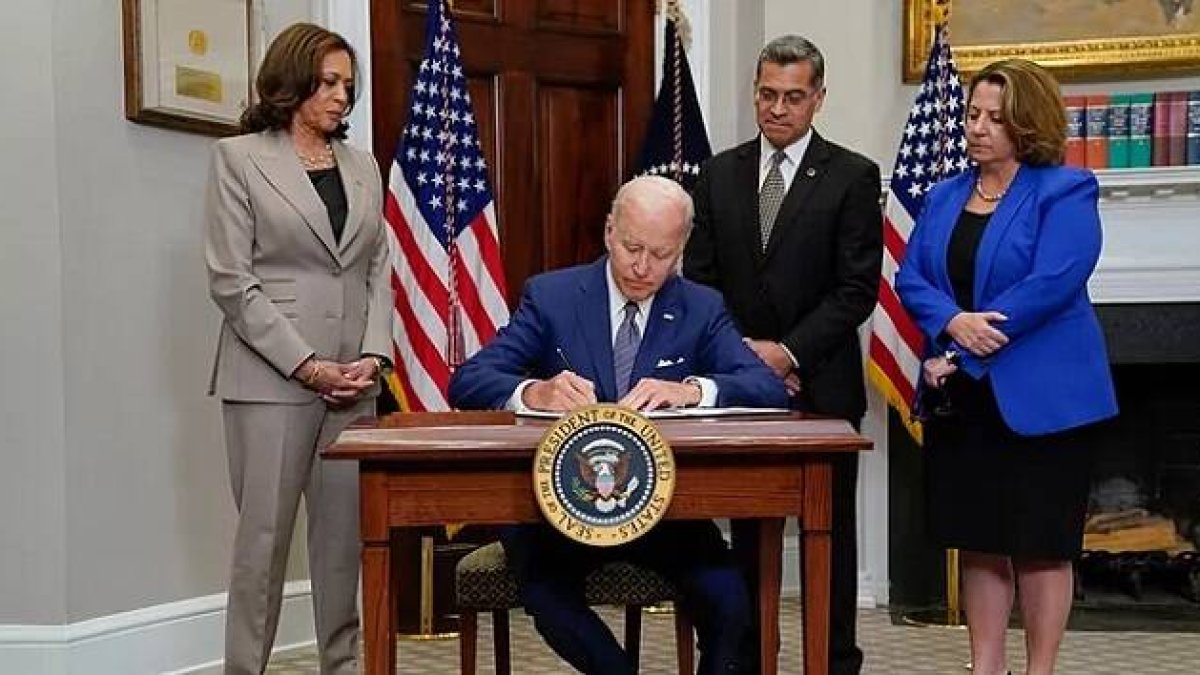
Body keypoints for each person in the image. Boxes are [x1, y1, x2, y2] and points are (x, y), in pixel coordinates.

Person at [449, 175, 788, 674]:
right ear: (610, 231)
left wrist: (693, 390)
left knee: (730, 598)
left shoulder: (700, 307)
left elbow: (768, 388)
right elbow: (470, 379)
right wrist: (533, 392)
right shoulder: (553, 296)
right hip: (559, 512)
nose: (642, 266)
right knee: (549, 596)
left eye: (661, 254)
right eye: (632, 247)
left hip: (663, 510)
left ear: (681, 251)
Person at [895, 59, 1118, 675]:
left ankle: (1039, 669)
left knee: (1043, 548)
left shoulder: (1066, 189)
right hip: (966, 401)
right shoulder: (943, 196)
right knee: (981, 541)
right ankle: (985, 665)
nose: (978, 128)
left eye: (996, 117)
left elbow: (1053, 282)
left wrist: (962, 345)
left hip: (1046, 402)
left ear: (1028, 122)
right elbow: (912, 277)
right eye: (972, 114)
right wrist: (950, 321)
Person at [682, 35, 882, 675]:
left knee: (833, 538)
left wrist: (789, 352)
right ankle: (746, 659)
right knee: (746, 534)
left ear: (818, 98)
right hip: (738, 385)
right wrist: (745, 357)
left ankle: (832, 661)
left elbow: (856, 289)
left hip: (821, 384)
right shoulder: (720, 173)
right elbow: (700, 280)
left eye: (793, 96)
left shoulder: (852, 175)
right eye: (767, 94)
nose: (777, 108)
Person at [204, 23, 394, 675]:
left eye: (349, 84)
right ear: (292, 82)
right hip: (272, 381)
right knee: (263, 544)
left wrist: (374, 356)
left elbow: (378, 266)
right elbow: (232, 279)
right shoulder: (238, 159)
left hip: (353, 382)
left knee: (343, 544)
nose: (343, 96)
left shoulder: (362, 164)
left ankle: (341, 666)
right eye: (330, 82)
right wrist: (307, 364)